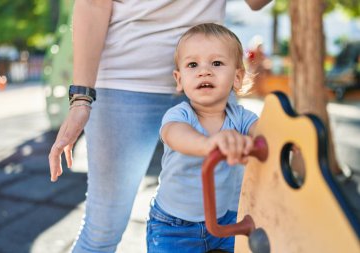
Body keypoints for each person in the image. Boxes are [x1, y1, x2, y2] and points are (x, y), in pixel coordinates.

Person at [48, 1, 272, 252]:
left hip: (216, 68)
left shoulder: (236, 113)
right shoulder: (180, 115)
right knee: (101, 230)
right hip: (126, 78)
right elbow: (93, 3)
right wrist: (81, 98)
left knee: (238, 217)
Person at [146, 23, 258, 253]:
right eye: (192, 64)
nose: (204, 71)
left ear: (237, 77)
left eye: (216, 63)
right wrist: (208, 143)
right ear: (179, 79)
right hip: (173, 226)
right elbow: (175, 134)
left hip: (224, 219)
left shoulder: (242, 118)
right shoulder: (180, 115)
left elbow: (266, 134)